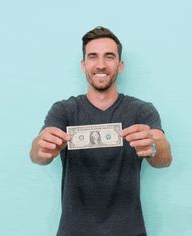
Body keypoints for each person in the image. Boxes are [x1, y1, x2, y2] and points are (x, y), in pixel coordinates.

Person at [30, 26, 172, 236]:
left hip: (129, 230)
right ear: (84, 64)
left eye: (109, 57)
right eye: (93, 57)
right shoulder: (64, 110)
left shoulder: (141, 111)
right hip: (73, 231)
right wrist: (42, 149)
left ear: (120, 65)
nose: (101, 65)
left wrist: (153, 146)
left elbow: (165, 157)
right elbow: (37, 154)